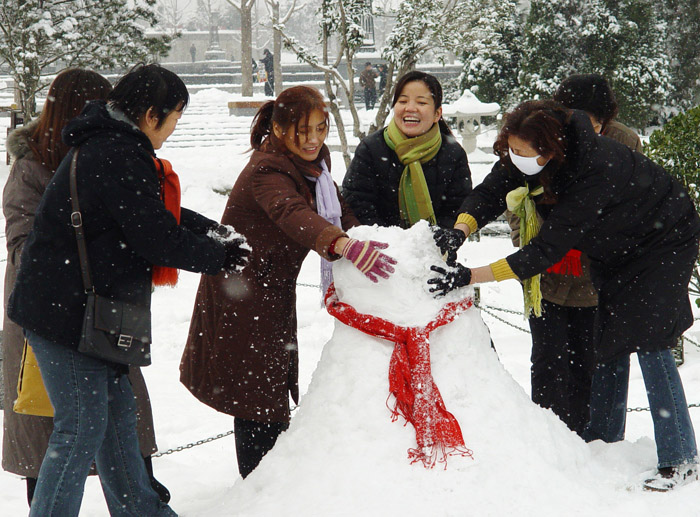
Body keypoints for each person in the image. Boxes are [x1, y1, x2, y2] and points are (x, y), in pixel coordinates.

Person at [7, 64, 250, 516]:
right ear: (152, 113)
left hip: (90, 312)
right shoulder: (115, 152)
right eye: (175, 117)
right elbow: (153, 235)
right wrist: (219, 257)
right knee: (80, 427)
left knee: (117, 423)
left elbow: (153, 212)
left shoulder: (113, 146)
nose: (174, 129)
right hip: (65, 316)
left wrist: (215, 233)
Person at [429, 99, 700, 492]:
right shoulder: (529, 151)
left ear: (549, 150)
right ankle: (602, 441)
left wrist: (471, 275)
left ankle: (682, 458)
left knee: (650, 340)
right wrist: (460, 229)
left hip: (663, 239)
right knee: (610, 336)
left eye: (524, 154)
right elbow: (490, 191)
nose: (516, 159)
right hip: (617, 243)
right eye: (512, 150)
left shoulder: (594, 168)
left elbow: (545, 250)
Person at [180, 85, 397, 479]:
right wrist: (341, 244)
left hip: (270, 290)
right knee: (255, 396)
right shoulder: (268, 169)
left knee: (268, 388)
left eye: (320, 127)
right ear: (279, 129)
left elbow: (339, 213)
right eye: (303, 130)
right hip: (240, 294)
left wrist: (368, 239)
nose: (314, 139)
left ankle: (273, 478)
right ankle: (260, 484)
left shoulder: (314, 166)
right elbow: (290, 211)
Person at [2, 68, 172, 507]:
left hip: (105, 319)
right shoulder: (32, 168)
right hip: (48, 325)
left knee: (121, 430)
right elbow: (25, 254)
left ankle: (140, 503)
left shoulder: (112, 159)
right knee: (56, 442)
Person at [498, 74, 643, 437]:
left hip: (595, 277)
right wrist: (526, 236)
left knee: (591, 362)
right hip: (544, 272)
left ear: (606, 120)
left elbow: (630, 204)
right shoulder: (541, 133)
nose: (584, 128)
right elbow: (513, 194)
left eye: (594, 122)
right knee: (548, 361)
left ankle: (593, 442)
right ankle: (550, 439)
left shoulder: (625, 142)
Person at [342, 70, 472, 258]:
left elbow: (458, 207)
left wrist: (433, 242)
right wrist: (393, 245)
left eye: (421, 102)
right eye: (403, 101)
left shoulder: (452, 153)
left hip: (434, 257)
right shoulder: (371, 149)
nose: (410, 108)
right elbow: (357, 203)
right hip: (380, 257)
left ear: (437, 113)